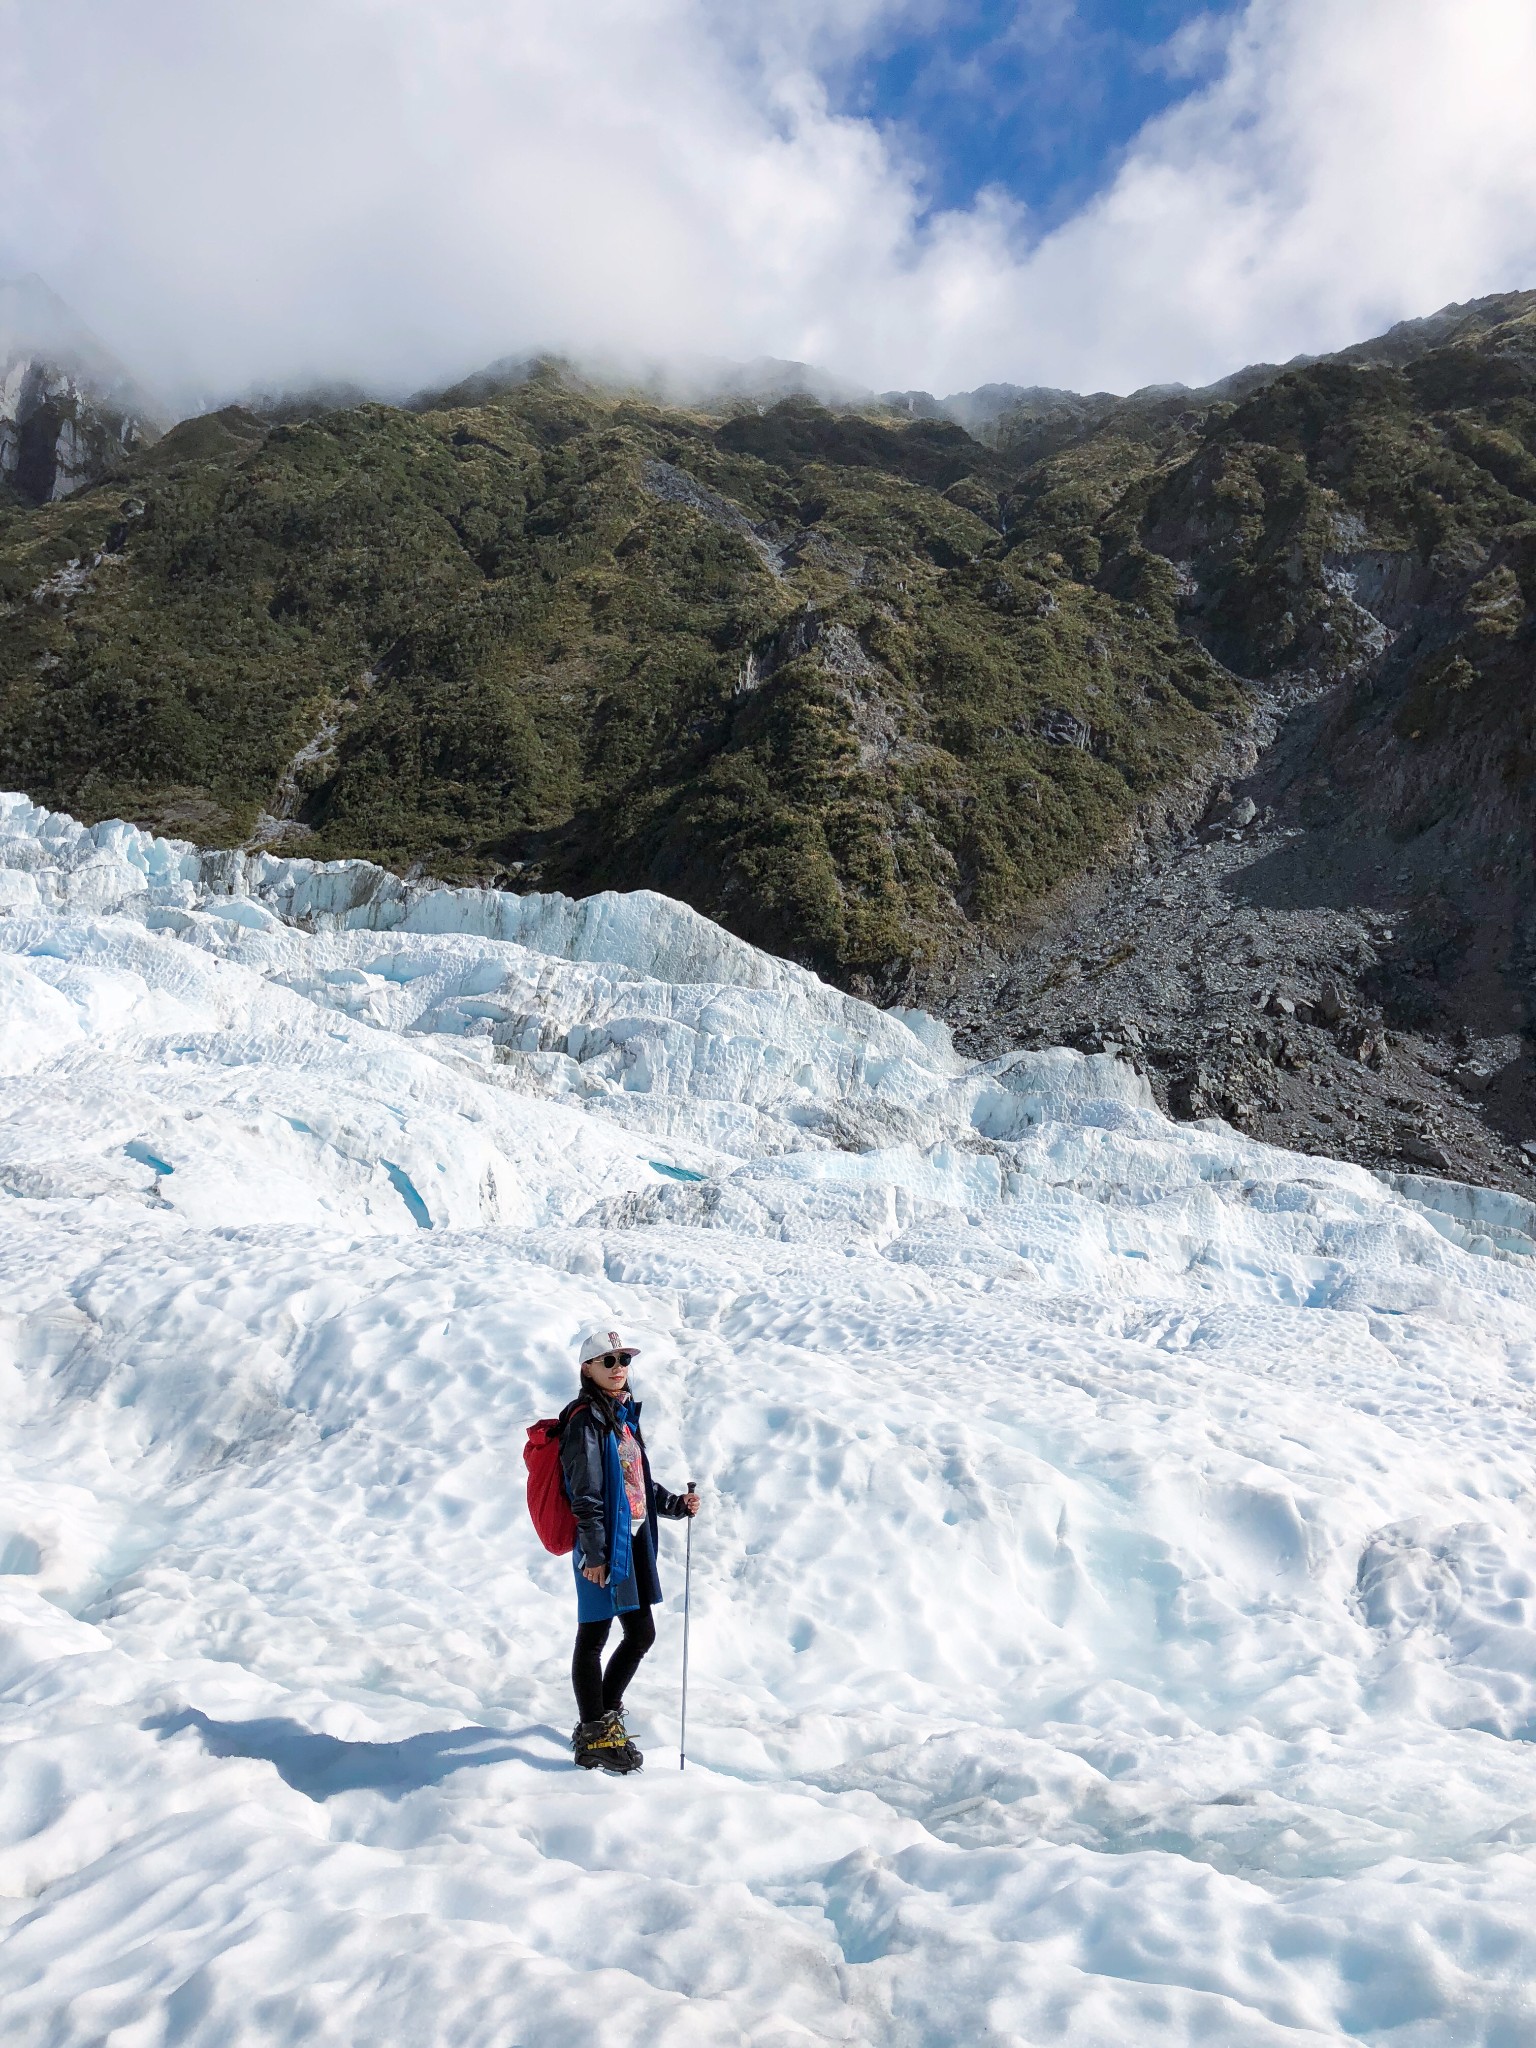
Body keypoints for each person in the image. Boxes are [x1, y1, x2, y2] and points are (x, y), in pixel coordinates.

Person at [559, 1324, 700, 1773]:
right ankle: (594, 1733)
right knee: (596, 1633)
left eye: (624, 1360)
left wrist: (674, 1504)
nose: (619, 1368)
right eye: (609, 1361)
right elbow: (587, 1492)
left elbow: (634, 1482)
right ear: (588, 1368)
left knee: (639, 1634)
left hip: (630, 1538)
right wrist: (595, 1554)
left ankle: (604, 1719)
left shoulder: (619, 1416)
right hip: (603, 1545)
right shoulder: (585, 1420)